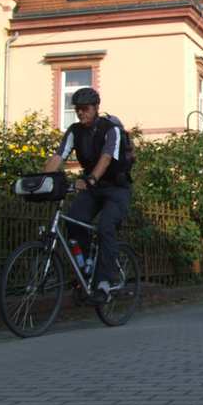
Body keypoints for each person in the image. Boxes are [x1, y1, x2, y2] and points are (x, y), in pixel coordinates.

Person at [43, 87, 131, 301]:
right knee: (73, 221)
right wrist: (42, 179)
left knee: (105, 227)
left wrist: (91, 178)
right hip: (93, 189)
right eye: (78, 109)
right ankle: (85, 270)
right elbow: (59, 155)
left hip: (116, 189)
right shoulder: (74, 131)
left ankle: (104, 282)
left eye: (85, 109)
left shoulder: (111, 129)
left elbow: (107, 157)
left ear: (96, 108)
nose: (81, 113)